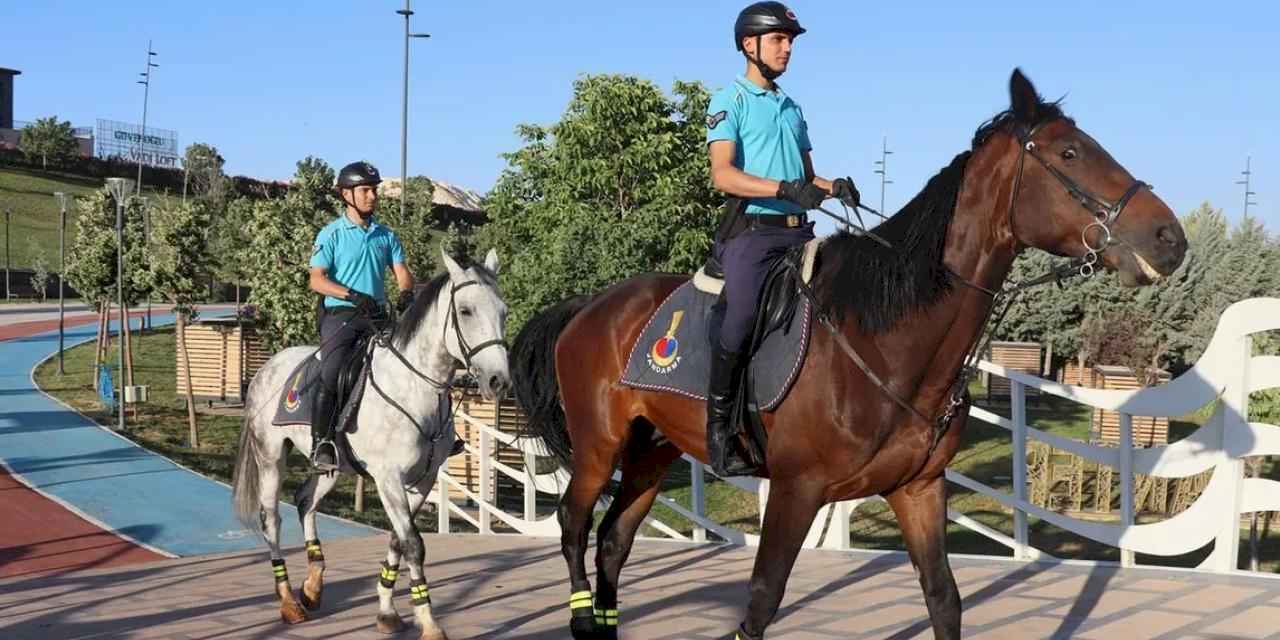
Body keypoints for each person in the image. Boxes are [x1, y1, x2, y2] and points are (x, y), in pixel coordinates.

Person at [704, 2, 862, 476]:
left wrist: (834, 188)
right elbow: (723, 175)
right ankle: (718, 429)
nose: (788, 48)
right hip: (754, 234)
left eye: (790, 40)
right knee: (743, 314)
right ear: (749, 45)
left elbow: (807, 178)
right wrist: (781, 189)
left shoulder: (792, 107)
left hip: (801, 235)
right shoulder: (727, 101)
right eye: (779, 39)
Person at [307, 161, 415, 471]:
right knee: (331, 371)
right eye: (366, 190)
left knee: (414, 362)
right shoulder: (331, 234)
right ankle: (322, 443)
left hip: (378, 316)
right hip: (341, 315)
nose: (373, 196)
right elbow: (317, 279)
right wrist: (352, 294)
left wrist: (406, 292)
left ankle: (437, 433)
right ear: (346, 194)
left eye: (374, 190)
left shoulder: (386, 235)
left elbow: (402, 273)